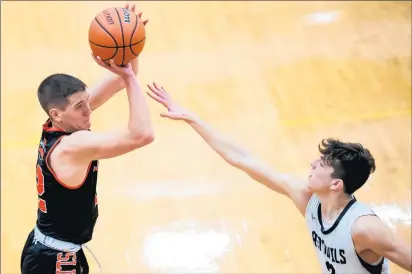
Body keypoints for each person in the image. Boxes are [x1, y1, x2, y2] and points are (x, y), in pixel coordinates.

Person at [146, 83, 412, 274]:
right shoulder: (308, 199)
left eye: (322, 164)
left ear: (336, 184)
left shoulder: (364, 229)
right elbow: (243, 159)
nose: (312, 163)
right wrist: (193, 118)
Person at [20, 5, 153, 273]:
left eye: (87, 101)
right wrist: (127, 76)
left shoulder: (58, 124)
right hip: (55, 262)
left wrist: (128, 48)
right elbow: (142, 134)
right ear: (57, 113)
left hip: (51, 249)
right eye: (80, 106)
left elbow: (122, 79)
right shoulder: (72, 147)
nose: (88, 109)